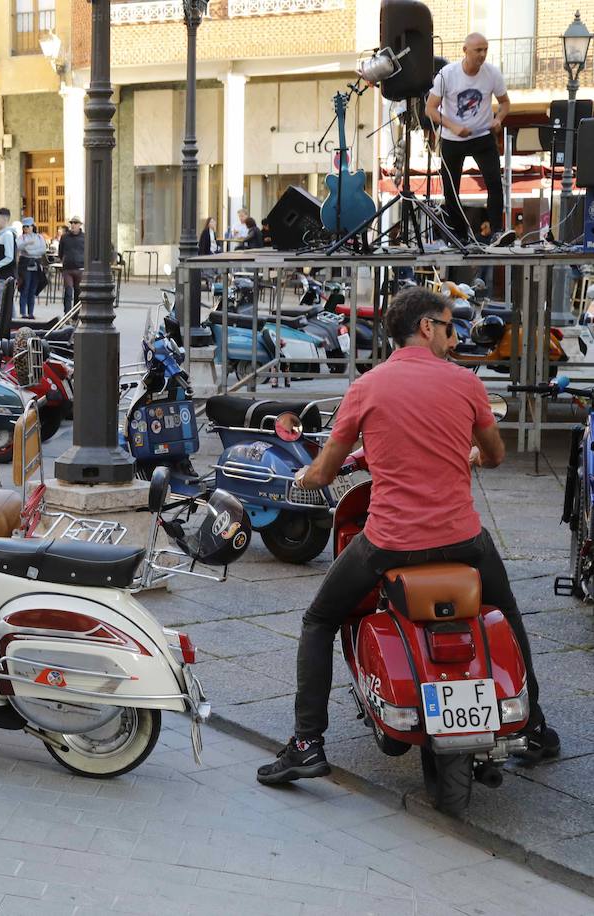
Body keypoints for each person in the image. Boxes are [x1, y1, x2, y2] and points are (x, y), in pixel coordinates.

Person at [256, 287, 558, 786]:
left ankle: (307, 743)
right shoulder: (465, 384)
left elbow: (328, 467)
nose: (454, 335)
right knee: (507, 612)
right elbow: (496, 455)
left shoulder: (367, 388)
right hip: (463, 540)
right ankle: (537, 726)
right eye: (448, 325)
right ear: (426, 327)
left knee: (318, 621)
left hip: (389, 542)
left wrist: (304, 478)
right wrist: (471, 458)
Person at [428, 33, 508, 241]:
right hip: (453, 139)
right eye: (478, 50)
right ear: (465, 51)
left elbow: (505, 103)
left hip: (482, 136)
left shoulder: (492, 74)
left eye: (485, 50)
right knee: (451, 190)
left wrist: (498, 119)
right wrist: (453, 126)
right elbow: (430, 109)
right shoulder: (447, 74)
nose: (482, 55)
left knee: (494, 183)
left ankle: (497, 231)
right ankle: (460, 235)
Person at [17, 217, 47, 319]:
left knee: (33, 289)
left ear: (32, 226)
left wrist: (30, 250)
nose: (26, 228)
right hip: (25, 265)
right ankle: (23, 312)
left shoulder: (39, 237)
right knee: (25, 287)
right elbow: (20, 246)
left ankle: (31, 312)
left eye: (28, 226)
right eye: (24, 227)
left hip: (36, 265)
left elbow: (42, 249)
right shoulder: (22, 238)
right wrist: (28, 245)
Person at [0, 208, 19, 313]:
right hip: (2, 276)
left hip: (6, 276)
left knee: (4, 307)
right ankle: (12, 327)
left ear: (5, 219)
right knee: (7, 306)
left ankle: (8, 328)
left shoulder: (7, 235)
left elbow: (9, 257)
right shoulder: (2, 234)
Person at [57, 216, 85, 310]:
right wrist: (64, 260)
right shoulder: (65, 237)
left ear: (80, 225)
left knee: (78, 292)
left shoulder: (84, 237)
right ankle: (67, 314)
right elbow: (60, 252)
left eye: (75, 223)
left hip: (80, 268)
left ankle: (75, 315)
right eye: (71, 223)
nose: (73, 225)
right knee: (68, 292)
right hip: (68, 269)